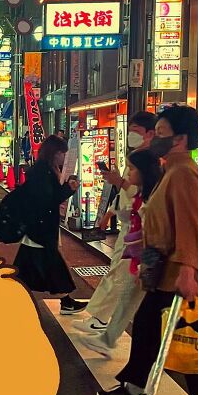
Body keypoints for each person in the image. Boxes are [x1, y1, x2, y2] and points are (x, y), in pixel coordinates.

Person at [98, 105, 198, 395]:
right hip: (168, 268)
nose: (154, 138)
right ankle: (135, 390)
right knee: (150, 327)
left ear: (180, 138)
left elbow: (194, 225)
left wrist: (190, 269)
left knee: (189, 337)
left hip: (181, 272)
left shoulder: (184, 173)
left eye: (160, 133)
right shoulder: (171, 170)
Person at [72, 111, 157, 336]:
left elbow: (143, 195)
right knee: (120, 274)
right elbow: (129, 193)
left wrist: (120, 182)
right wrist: (110, 213)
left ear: (150, 133)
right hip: (130, 227)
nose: (131, 136)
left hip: (138, 228)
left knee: (121, 275)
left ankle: (102, 320)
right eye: (130, 132)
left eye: (136, 132)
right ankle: (103, 322)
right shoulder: (137, 157)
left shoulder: (150, 160)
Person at [81, 148, 162, 357]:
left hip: (153, 258)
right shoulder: (146, 191)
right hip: (143, 255)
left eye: (132, 169)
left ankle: (113, 341)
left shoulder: (155, 195)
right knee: (130, 296)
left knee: (145, 309)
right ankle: (108, 339)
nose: (129, 173)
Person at [13, 135, 84, 314]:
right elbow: (48, 200)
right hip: (41, 227)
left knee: (27, 266)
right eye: (62, 153)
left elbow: (50, 196)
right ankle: (66, 301)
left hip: (38, 226)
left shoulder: (45, 170)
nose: (64, 157)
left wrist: (68, 188)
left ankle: (14, 294)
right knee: (51, 263)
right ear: (54, 153)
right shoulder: (42, 172)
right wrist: (69, 189)